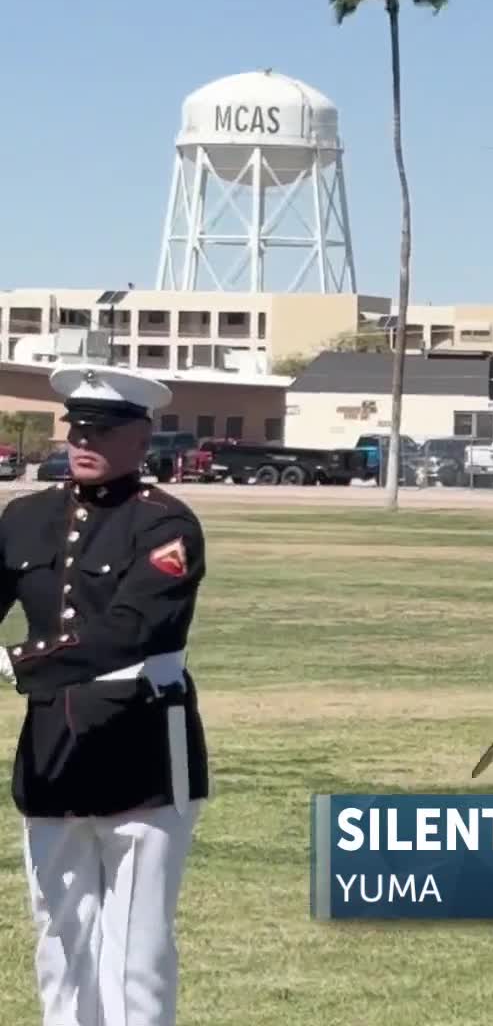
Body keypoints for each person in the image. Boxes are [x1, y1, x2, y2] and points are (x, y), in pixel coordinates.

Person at [1, 364, 210, 1026]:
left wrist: (19, 662)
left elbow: (130, 631)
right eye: (77, 429)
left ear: (141, 439)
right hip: (53, 750)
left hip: (139, 746)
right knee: (61, 939)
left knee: (133, 954)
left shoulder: (166, 526)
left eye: (104, 431)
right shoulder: (26, 517)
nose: (84, 441)